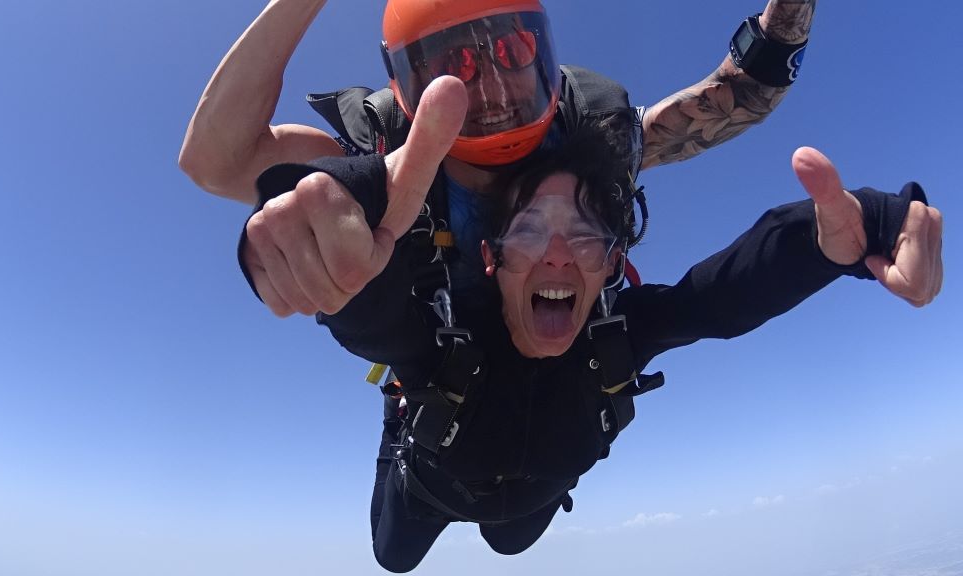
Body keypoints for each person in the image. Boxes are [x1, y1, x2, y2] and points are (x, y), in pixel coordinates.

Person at [239, 112, 942, 572]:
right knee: (393, 559)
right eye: (527, 231)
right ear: (491, 259)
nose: (557, 254)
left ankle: (501, 510)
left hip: (532, 493)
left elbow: (717, 297)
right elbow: (378, 320)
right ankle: (395, 425)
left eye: (583, 235)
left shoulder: (616, 335)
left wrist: (841, 237)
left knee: (509, 542)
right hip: (426, 485)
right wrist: (341, 240)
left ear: (610, 264)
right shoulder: (445, 337)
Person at [180, 0, 819, 318]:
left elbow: (745, 92)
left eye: (511, 50)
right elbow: (215, 160)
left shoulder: (590, 141)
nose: (489, 84)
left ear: (544, 51)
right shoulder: (380, 157)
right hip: (439, 395)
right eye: (455, 62)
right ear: (405, 85)